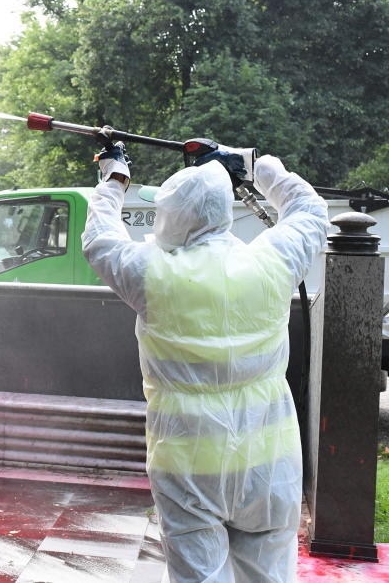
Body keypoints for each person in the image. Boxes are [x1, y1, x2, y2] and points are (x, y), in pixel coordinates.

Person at [82, 142, 328, 582]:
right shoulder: (272, 262)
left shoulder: (150, 274)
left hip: (188, 470)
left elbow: (100, 238)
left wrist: (115, 179)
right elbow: (309, 209)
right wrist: (257, 167)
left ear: (173, 217)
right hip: (268, 467)